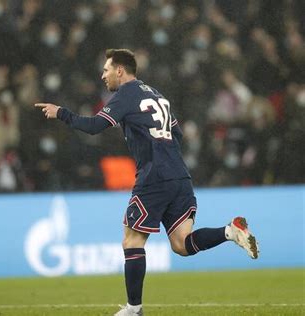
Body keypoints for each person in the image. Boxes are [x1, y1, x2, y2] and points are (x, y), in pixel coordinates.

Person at [35, 48, 259, 316]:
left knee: (131, 241)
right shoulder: (157, 95)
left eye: (106, 70)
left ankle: (133, 309)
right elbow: (177, 133)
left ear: (120, 70)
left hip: (154, 177)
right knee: (181, 244)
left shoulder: (126, 95)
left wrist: (62, 113)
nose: (102, 75)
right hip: (180, 176)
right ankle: (229, 232)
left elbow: (95, 126)